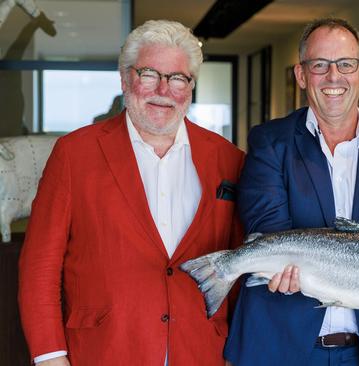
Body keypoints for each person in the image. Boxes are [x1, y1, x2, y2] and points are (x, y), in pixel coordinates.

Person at [18, 20, 244, 366]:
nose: (164, 90)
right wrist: (51, 357)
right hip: (103, 352)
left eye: (178, 78)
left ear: (191, 87)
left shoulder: (228, 159)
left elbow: (241, 268)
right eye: (149, 74)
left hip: (202, 353)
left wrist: (237, 353)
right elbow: (40, 267)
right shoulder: (73, 154)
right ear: (125, 79)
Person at [224, 17, 359, 366]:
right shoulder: (270, 142)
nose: (333, 77)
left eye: (345, 64)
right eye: (320, 65)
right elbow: (271, 231)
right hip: (283, 346)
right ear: (301, 75)